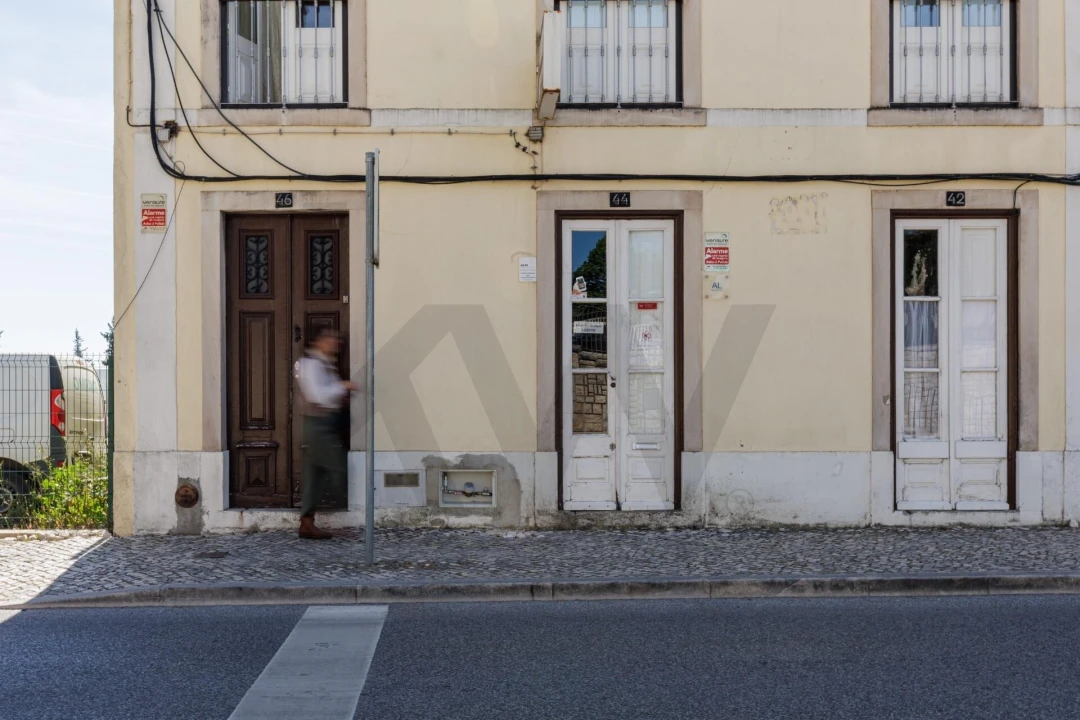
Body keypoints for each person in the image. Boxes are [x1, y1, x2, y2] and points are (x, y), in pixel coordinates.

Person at [294, 327, 356, 539]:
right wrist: (342, 386)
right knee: (339, 468)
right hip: (317, 425)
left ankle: (306, 523)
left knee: (315, 476)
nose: (336, 342)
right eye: (331, 338)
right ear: (318, 341)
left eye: (337, 338)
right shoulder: (309, 365)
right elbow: (316, 395)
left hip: (327, 423)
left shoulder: (326, 364)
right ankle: (355, 518)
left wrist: (341, 396)